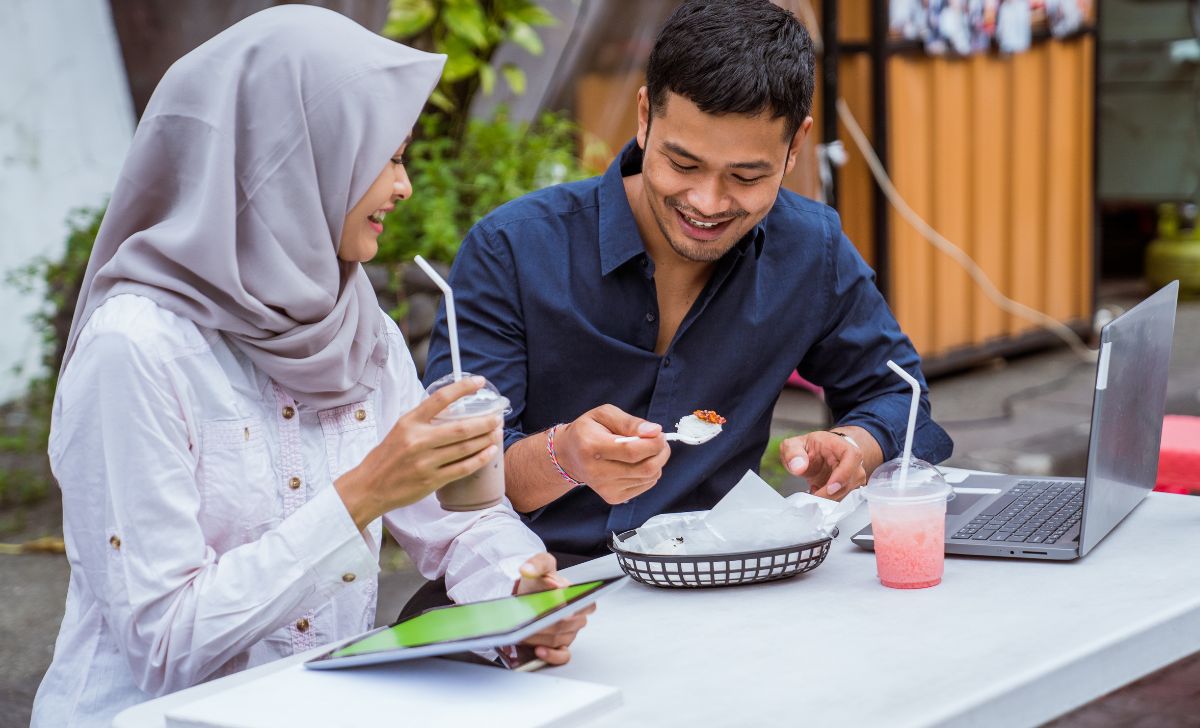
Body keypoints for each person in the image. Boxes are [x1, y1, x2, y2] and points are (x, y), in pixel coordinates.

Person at [31, 7, 590, 727]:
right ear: (291, 161)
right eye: (384, 158)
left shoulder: (362, 331)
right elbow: (163, 642)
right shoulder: (136, 350)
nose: (404, 186)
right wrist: (358, 496)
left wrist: (519, 590)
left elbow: (455, 523)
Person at [421, 0, 953, 564]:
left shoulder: (808, 249)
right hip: (536, 587)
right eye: (683, 165)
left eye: (747, 176)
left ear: (796, 146)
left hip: (724, 579)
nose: (707, 203)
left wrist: (855, 446)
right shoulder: (513, 249)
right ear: (645, 115)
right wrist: (563, 457)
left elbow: (900, 396)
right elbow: (458, 475)